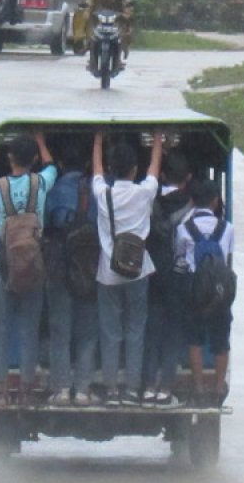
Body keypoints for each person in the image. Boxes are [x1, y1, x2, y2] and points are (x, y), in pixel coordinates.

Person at [0, 133, 56, 406]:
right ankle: (28, 390)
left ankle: (3, 389)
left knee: (2, 329)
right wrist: (41, 142)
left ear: (9, 158)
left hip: (3, 268)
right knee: (30, 329)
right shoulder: (41, 183)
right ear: (33, 159)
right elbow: (52, 165)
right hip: (34, 267)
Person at [91, 130, 162, 407]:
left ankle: (110, 389)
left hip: (108, 274)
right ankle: (132, 389)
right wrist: (157, 142)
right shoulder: (144, 193)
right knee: (135, 329)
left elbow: (96, 173)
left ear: (111, 169)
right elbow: (154, 171)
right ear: (135, 169)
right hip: (139, 271)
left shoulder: (103, 195)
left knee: (110, 331)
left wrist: (97, 141)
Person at [43, 144, 100, 406]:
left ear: (62, 167)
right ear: (88, 166)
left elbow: (43, 226)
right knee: (87, 333)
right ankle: (84, 390)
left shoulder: (54, 191)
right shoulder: (100, 192)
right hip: (90, 269)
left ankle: (62, 388)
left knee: (60, 330)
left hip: (60, 269)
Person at [173, 179, 235, 407]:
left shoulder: (183, 229)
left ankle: (198, 387)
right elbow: (227, 260)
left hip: (195, 291)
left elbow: (179, 259)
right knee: (221, 341)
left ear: (192, 201)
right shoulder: (226, 228)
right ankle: (218, 388)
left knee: (195, 340)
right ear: (216, 201)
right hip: (220, 293)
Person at [143, 152, 193, 409]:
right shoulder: (194, 206)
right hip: (178, 278)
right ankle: (166, 387)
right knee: (173, 332)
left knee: (151, 331)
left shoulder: (150, 200)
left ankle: (149, 384)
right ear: (189, 178)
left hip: (152, 274)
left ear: (161, 176)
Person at [84, 0, 132, 68]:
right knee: (90, 35)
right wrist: (87, 13)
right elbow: (88, 6)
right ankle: (92, 59)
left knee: (124, 33)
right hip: (99, 22)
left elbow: (127, 6)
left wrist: (126, 14)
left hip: (116, 22)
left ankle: (118, 59)